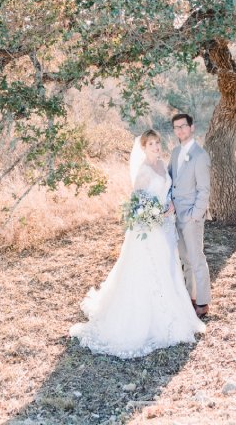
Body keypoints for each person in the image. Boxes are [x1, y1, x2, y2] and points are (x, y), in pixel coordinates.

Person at [69, 129, 206, 358]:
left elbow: (167, 191)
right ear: (143, 147)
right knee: (148, 270)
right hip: (148, 229)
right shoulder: (143, 172)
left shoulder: (163, 164)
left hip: (166, 225)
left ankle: (176, 313)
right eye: (150, 144)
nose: (155, 147)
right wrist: (154, 215)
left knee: (169, 268)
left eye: (157, 142)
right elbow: (138, 205)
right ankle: (146, 320)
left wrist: (170, 205)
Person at [168, 113, 211, 318]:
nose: (180, 131)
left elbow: (204, 190)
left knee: (196, 258)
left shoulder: (200, 156)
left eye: (183, 126)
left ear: (192, 128)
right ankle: (189, 296)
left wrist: (195, 215)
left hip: (192, 217)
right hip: (176, 215)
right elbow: (170, 181)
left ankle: (203, 302)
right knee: (184, 258)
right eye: (176, 127)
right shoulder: (175, 152)